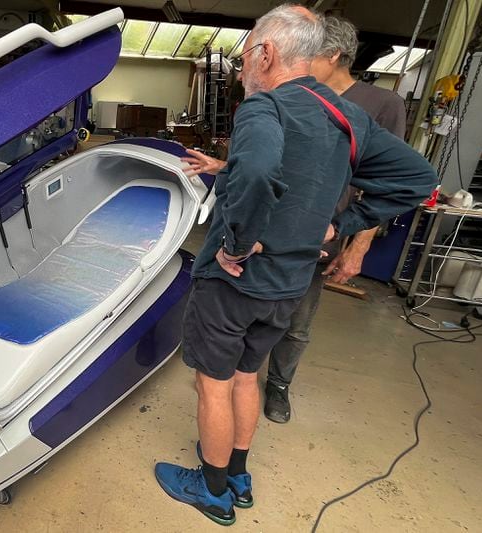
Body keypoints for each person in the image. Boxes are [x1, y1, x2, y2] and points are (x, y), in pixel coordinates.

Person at [153, 4, 436, 527]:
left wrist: (238, 243)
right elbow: (420, 179)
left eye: (243, 61)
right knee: (246, 376)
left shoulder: (266, 108)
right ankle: (238, 474)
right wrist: (344, 222)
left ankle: (211, 490)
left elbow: (259, 171)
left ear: (267, 53)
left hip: (236, 283)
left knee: (212, 383)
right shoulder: (345, 114)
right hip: (290, 282)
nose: (241, 73)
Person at [264, 15, 410, 424]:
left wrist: (357, 245)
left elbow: (387, 185)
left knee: (297, 319)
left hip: (320, 232)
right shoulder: (291, 95)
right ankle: (235, 374)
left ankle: (278, 384)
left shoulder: (381, 105)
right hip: (269, 223)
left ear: (333, 55)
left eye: (307, 52)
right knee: (248, 308)